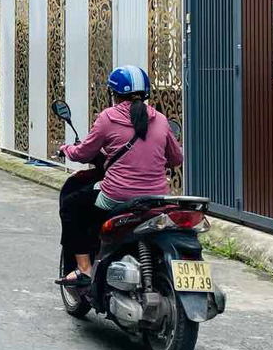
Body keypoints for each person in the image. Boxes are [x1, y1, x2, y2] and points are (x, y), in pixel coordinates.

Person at [55, 65, 184, 287]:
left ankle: (84, 269)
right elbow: (176, 158)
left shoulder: (108, 118)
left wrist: (65, 149)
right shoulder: (161, 120)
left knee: (71, 205)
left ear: (113, 93)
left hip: (116, 197)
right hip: (156, 199)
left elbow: (83, 153)